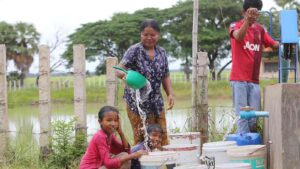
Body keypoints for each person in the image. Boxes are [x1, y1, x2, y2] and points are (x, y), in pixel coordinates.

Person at [115, 19, 174, 145]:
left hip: (156, 103)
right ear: (140, 35)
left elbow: (166, 75)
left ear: (158, 35)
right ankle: (141, 164)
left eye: (152, 35)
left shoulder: (162, 52)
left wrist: (170, 94)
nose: (149, 38)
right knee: (141, 139)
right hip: (137, 103)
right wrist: (126, 76)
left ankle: (164, 162)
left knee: (161, 137)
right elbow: (118, 70)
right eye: (145, 35)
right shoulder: (134, 50)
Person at [229, 0, 279, 134]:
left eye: (255, 13)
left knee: (254, 117)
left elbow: (274, 44)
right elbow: (238, 36)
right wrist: (247, 21)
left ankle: (252, 143)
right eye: (250, 12)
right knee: (242, 116)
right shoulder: (235, 25)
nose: (253, 16)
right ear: (244, 12)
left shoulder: (260, 30)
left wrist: (291, 41)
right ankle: (244, 146)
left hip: (254, 80)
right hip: (239, 79)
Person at [79, 106, 147, 169]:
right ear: (100, 122)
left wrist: (120, 132)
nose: (113, 124)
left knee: (124, 155)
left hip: (99, 166)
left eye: (116, 120)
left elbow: (126, 151)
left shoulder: (110, 135)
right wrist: (135, 155)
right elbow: (108, 163)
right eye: (109, 120)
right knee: (125, 157)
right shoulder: (100, 136)